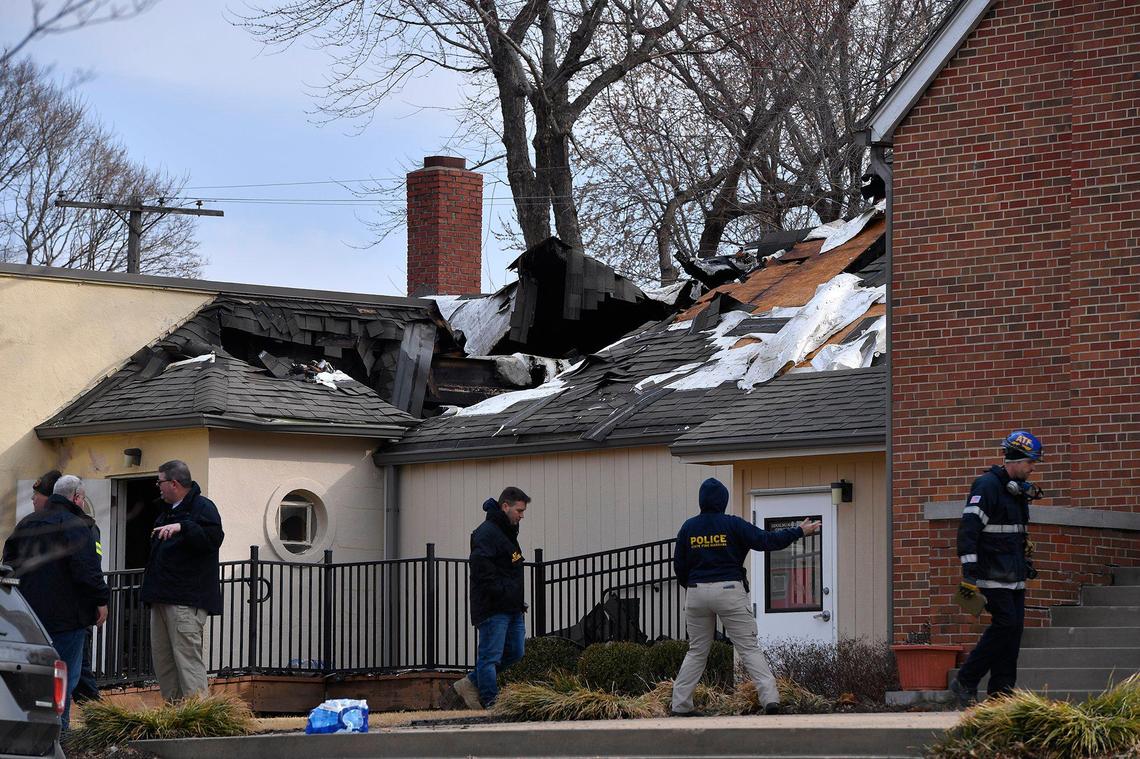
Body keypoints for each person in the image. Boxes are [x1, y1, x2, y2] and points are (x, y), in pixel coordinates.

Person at [670, 477, 821, 717]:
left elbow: (679, 564)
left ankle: (680, 705)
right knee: (749, 648)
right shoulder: (733, 525)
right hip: (729, 591)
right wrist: (799, 531)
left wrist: (691, 587)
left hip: (696, 592)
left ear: (701, 500)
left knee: (697, 650)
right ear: (723, 501)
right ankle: (770, 700)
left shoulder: (688, 528)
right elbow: (766, 541)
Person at [3, 474, 109, 730]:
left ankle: (32, 735)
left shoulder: (26, 524)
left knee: (33, 680)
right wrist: (101, 601)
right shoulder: (76, 525)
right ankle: (58, 738)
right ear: (76, 497)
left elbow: (8, 567)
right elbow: (87, 570)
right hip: (67, 619)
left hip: (28, 619)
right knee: (64, 681)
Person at [950, 430, 1043, 707]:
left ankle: (1001, 694)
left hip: (1014, 575)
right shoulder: (987, 486)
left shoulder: (1017, 492)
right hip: (992, 575)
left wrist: (1024, 550)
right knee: (1005, 626)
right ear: (1015, 459)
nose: (1032, 467)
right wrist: (969, 574)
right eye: (1030, 462)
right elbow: (968, 531)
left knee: (1013, 632)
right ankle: (966, 680)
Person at [140, 460, 224, 701]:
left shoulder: (202, 507)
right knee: (164, 664)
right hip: (161, 598)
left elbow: (213, 539)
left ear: (174, 483)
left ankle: (198, 719)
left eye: (160, 482)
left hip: (185, 601)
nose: (158, 487)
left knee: (187, 662)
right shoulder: (166, 512)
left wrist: (183, 526)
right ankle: (175, 718)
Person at [452, 486, 530, 710]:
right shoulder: (486, 533)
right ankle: (491, 703)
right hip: (493, 608)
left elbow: (509, 568)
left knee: (516, 652)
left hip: (512, 607)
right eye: (519, 510)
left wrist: (515, 600)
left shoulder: (507, 531)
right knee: (490, 657)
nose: (522, 515)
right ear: (505, 506)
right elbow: (482, 572)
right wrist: (505, 593)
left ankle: (470, 683)